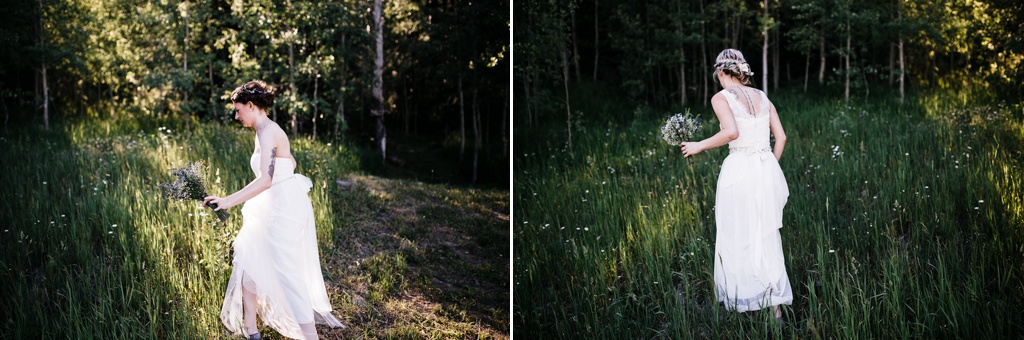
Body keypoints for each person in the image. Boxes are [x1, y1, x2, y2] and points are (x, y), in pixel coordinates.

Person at [204, 80, 345, 339]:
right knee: (248, 260)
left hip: (284, 209)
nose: (236, 116)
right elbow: (289, 161)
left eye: (238, 110)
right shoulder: (264, 130)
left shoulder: (269, 130)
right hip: (271, 204)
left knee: (287, 272)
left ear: (251, 105)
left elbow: (266, 179)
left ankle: (310, 337)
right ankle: (251, 329)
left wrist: (226, 201)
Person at [679, 49, 793, 321]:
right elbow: (782, 137)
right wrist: (770, 164)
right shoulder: (763, 97)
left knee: (737, 233)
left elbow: (731, 132)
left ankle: (746, 297)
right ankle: (774, 305)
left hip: (740, 170)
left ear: (721, 71)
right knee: (764, 233)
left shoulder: (720, 97)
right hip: (766, 168)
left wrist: (698, 145)